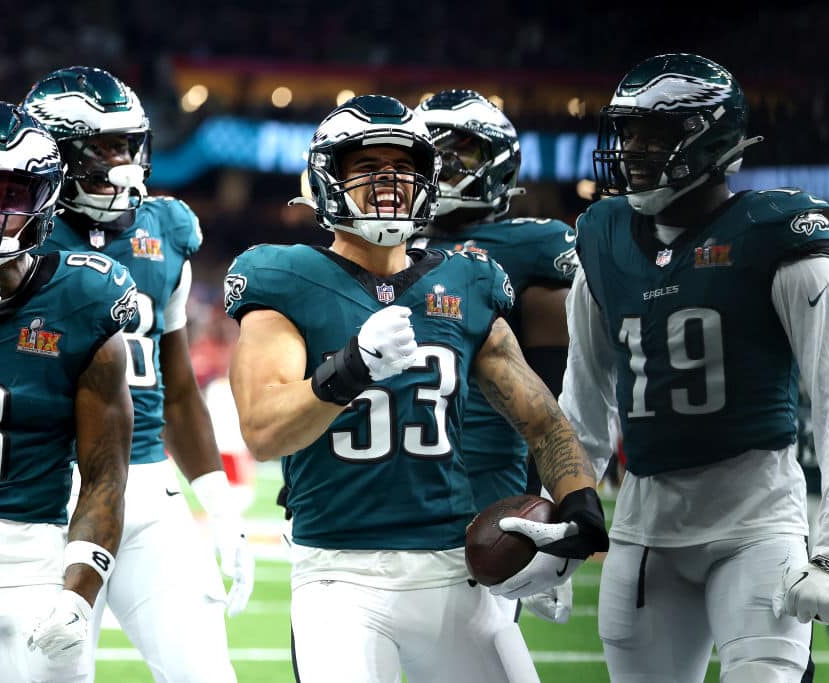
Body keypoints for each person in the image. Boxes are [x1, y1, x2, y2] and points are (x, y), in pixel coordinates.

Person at [226, 94, 609, 683]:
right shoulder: (284, 276)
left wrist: (581, 511)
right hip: (339, 572)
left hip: (452, 564)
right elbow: (263, 429)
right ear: (328, 178)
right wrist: (351, 368)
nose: (389, 184)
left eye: (404, 168)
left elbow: (541, 419)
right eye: (367, 167)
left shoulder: (467, 278)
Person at [561, 53, 829, 682]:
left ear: (710, 138)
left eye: (655, 132)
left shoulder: (775, 236)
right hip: (645, 525)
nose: (633, 149)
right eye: (627, 131)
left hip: (755, 522)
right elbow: (585, 406)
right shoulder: (601, 238)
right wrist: (564, 513)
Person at [23, 67, 251, 683]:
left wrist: (217, 503)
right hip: (46, 489)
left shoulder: (165, 229)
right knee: (54, 674)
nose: (122, 161)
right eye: (104, 147)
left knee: (206, 673)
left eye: (128, 144)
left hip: (148, 487)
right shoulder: (16, 239)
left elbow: (177, 390)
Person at [0, 102, 135, 682]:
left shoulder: (85, 297)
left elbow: (105, 475)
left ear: (43, 200)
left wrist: (78, 593)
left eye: (9, 195)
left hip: (29, 565)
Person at [412, 89, 578, 625]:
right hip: (386, 486)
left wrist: (547, 507)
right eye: (431, 151)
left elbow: (555, 401)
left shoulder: (532, 248)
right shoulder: (381, 244)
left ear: (498, 163)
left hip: (486, 491)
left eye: (461, 151)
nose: (444, 166)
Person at [795, 385, 829, 646]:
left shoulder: (801, 410)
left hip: (811, 495)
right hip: (802, 495)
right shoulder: (826, 413)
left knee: (816, 562)